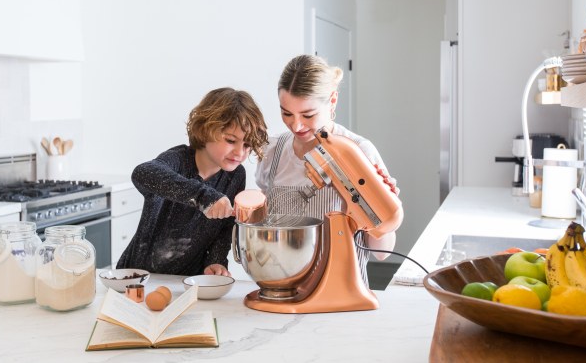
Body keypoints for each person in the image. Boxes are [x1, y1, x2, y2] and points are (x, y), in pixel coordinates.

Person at [255, 54, 400, 287]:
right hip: (281, 288)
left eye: (308, 115)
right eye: (287, 113)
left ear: (332, 101)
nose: (297, 125)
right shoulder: (273, 152)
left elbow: (383, 252)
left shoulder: (359, 152)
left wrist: (377, 204)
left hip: (343, 293)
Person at [116, 87, 268, 277]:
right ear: (205, 130)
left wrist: (216, 260)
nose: (240, 153)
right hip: (138, 276)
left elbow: (225, 227)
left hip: (189, 280)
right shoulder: (178, 160)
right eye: (230, 140)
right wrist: (203, 197)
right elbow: (143, 172)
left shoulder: (235, 175)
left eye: (247, 145)